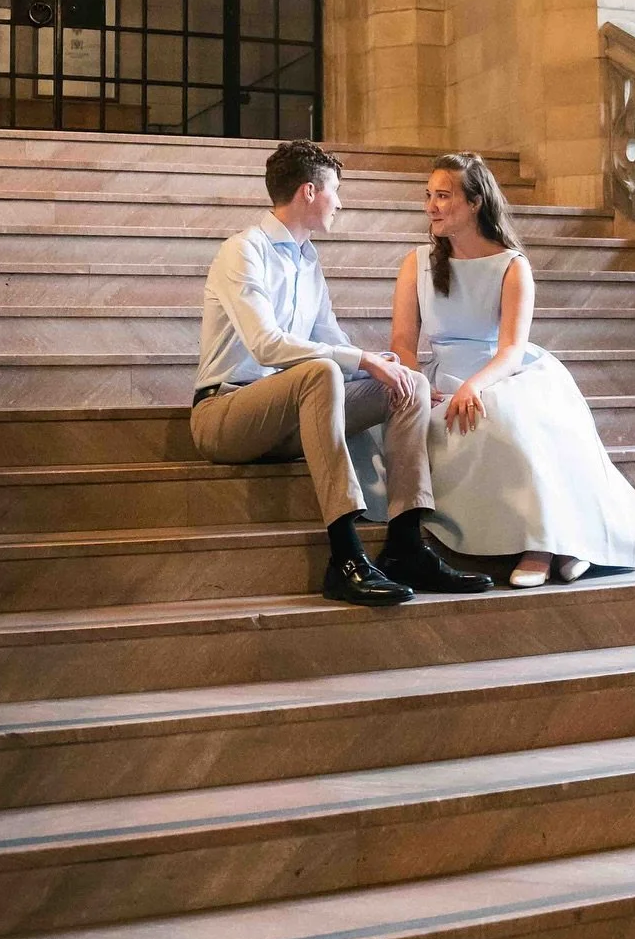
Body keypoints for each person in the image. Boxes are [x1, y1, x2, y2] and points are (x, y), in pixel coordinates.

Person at [192, 140, 494, 607]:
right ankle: (346, 557)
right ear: (309, 192)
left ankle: (406, 545)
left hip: (292, 415)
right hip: (226, 413)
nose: (341, 201)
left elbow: (332, 340)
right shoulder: (243, 252)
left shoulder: (308, 260)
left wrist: (385, 366)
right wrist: (361, 360)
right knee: (321, 373)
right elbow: (267, 344)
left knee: (407, 382)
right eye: (336, 190)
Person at [390, 153, 635, 586]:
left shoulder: (512, 265)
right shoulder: (416, 263)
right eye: (429, 196)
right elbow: (402, 342)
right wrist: (418, 383)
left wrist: (473, 386)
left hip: (502, 372)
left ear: (475, 202)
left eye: (443, 196)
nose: (432, 206)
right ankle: (561, 541)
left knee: (514, 420)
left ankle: (545, 545)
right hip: (441, 376)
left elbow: (512, 349)